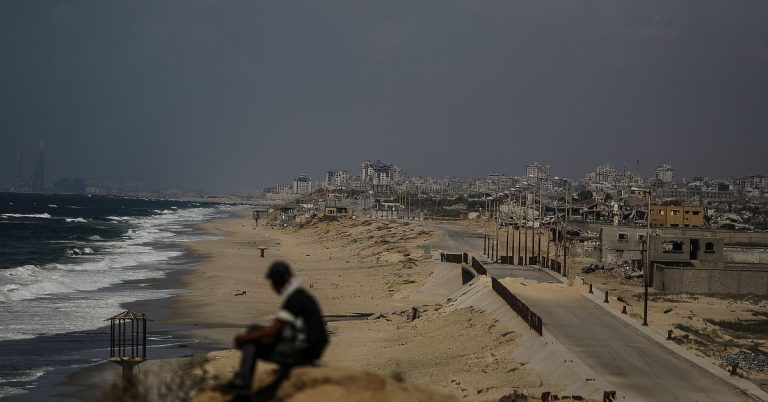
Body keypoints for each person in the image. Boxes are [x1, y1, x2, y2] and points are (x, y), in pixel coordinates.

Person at [223, 261, 328, 397]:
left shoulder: (294, 299)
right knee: (254, 329)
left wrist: (243, 339)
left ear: (275, 282)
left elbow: (273, 330)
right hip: (311, 348)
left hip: (303, 353)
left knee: (251, 342)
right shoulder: (300, 294)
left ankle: (243, 383)